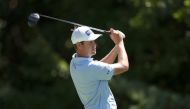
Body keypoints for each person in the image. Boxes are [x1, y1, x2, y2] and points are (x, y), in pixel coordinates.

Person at [70, 26, 129, 109]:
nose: (94, 44)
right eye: (90, 42)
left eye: (94, 41)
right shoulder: (91, 67)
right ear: (79, 45)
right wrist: (120, 42)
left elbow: (99, 68)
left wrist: (117, 45)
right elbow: (124, 66)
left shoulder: (74, 62)